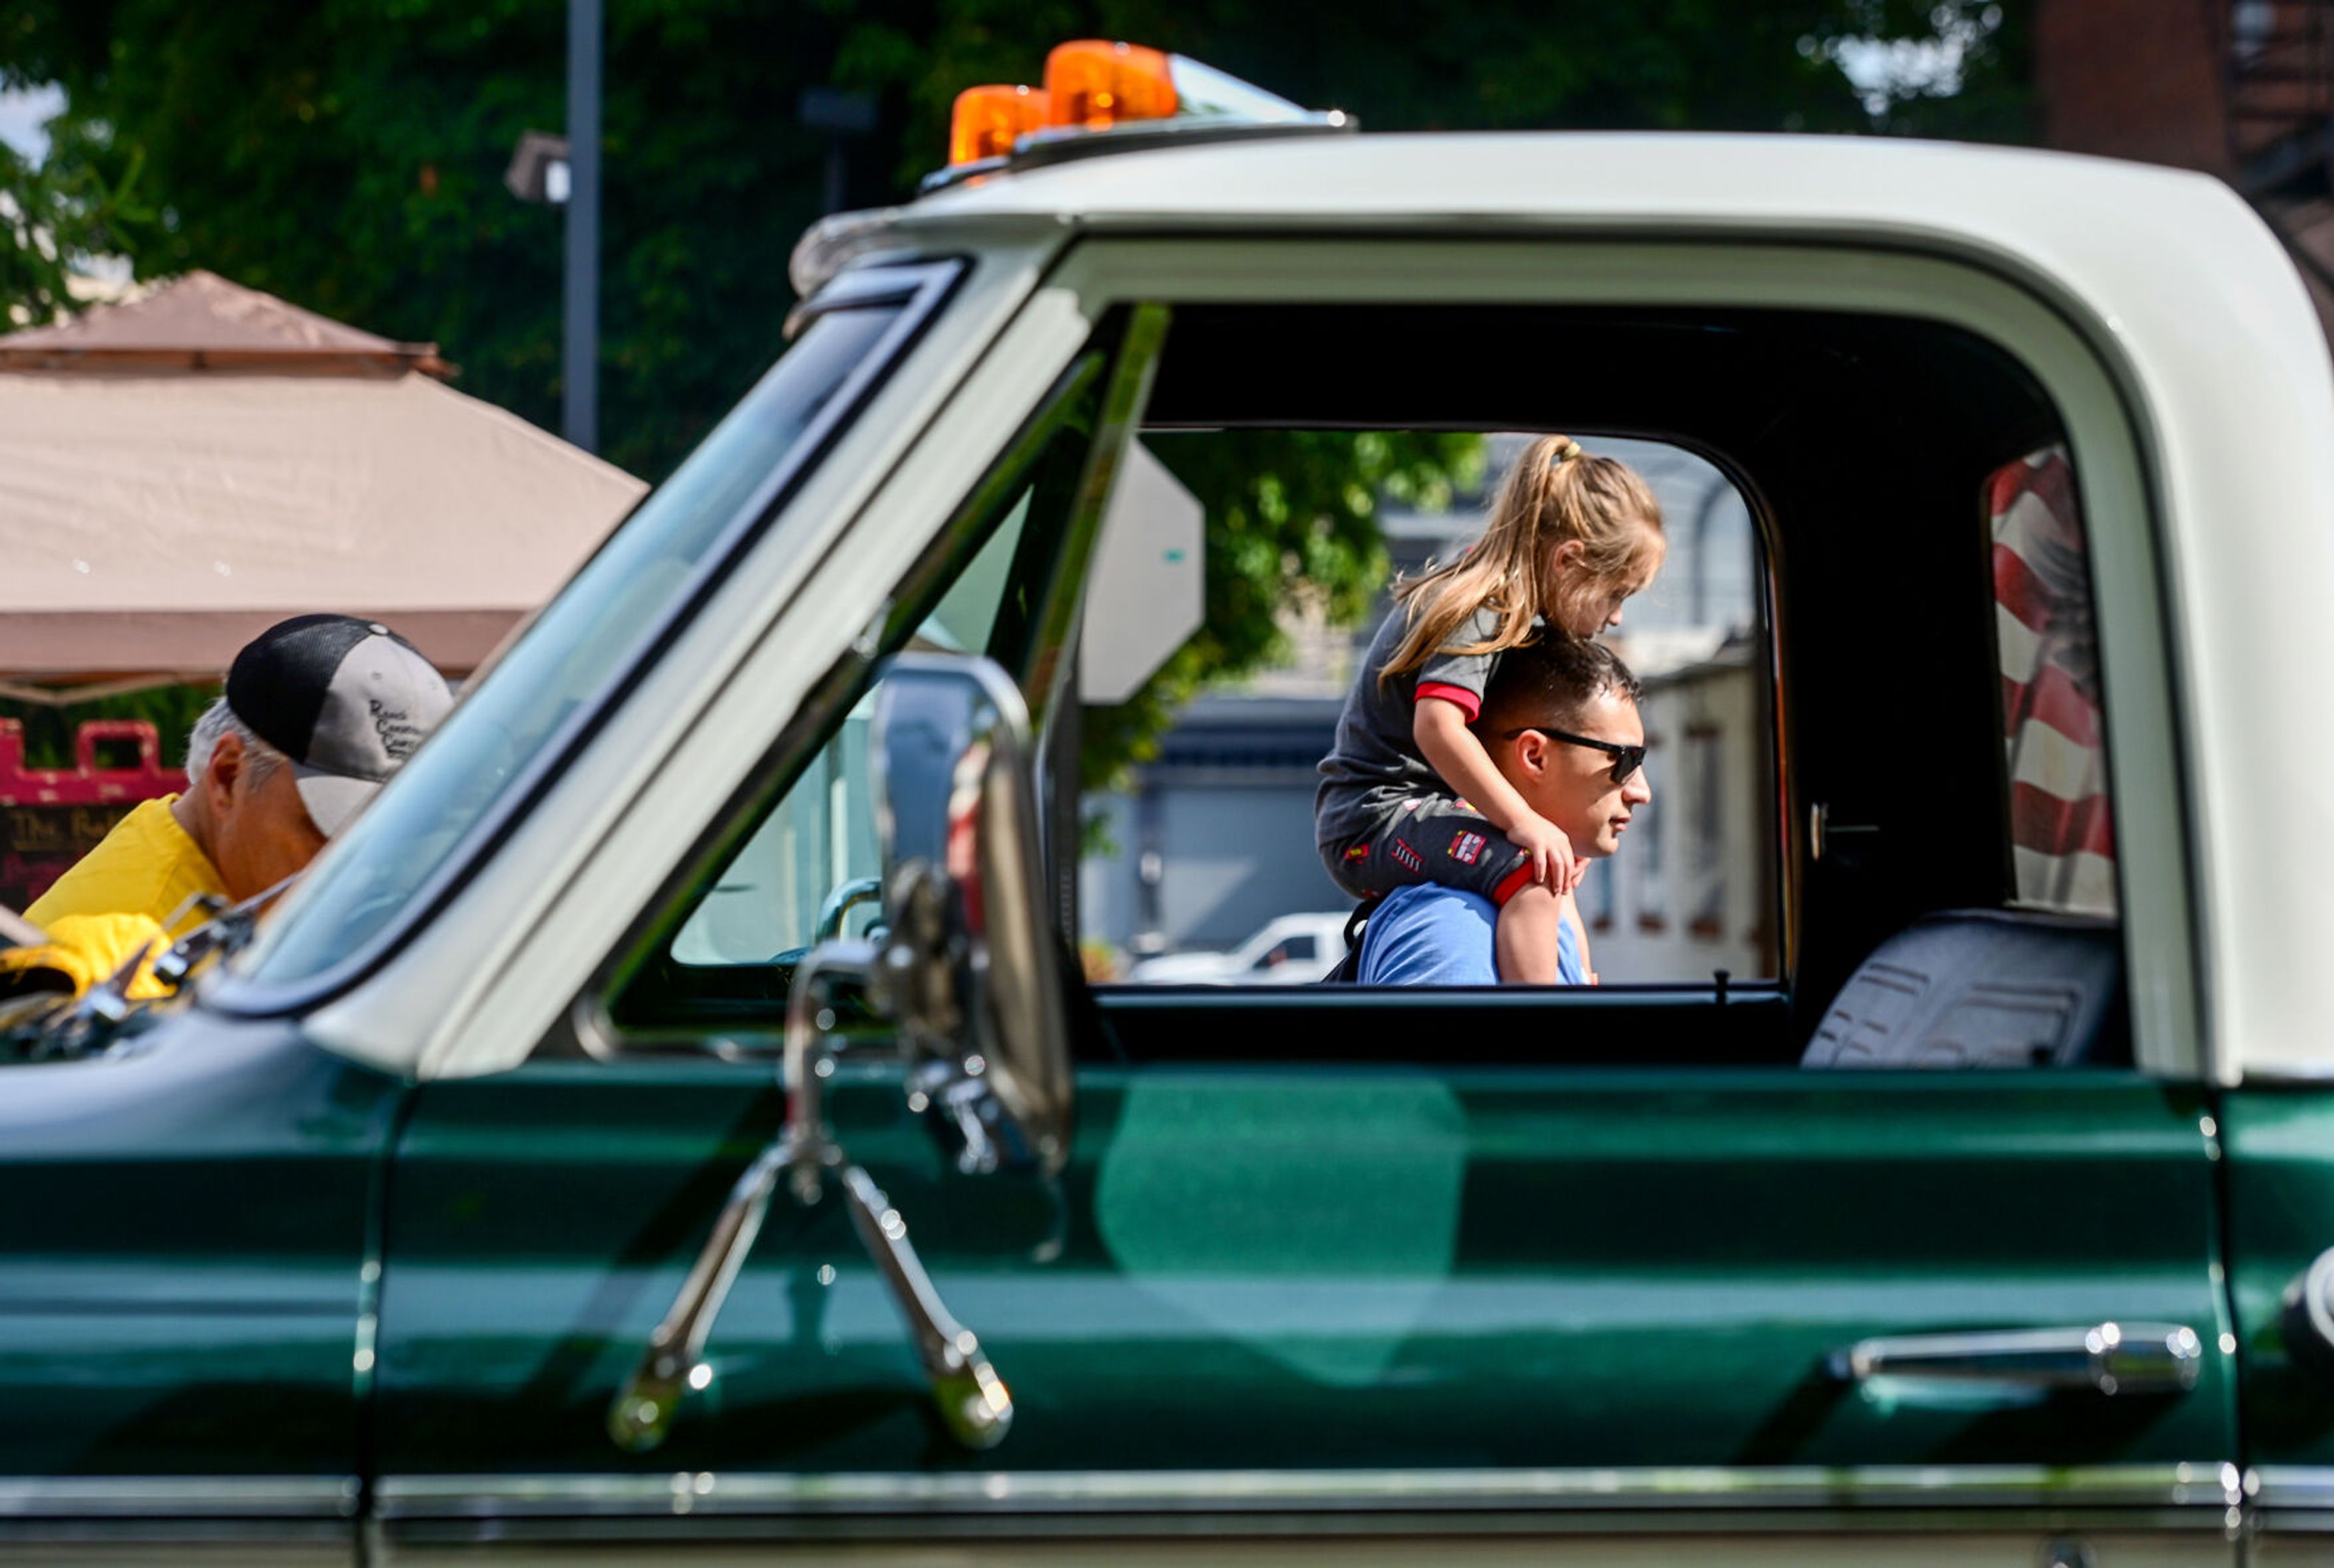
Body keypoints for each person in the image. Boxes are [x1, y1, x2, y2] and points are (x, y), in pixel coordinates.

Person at [1316, 434, 1664, 983]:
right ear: (1569, 560)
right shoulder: (1485, 605)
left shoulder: (1501, 603)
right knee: (1530, 867)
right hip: (1374, 818)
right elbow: (1438, 726)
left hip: (1411, 810)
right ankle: (1535, 1028)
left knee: (1548, 854)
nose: (1616, 616)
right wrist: (1523, 821)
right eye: (1616, 593)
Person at [0, 615, 453, 999]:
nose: (357, 876)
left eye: (388, 842)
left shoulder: (203, 873)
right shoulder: (111, 968)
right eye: (329, 835)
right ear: (228, 775)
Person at [1357, 635, 1650, 985]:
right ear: (1534, 756)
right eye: (1625, 760)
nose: (1641, 791)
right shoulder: (1453, 932)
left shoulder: (1532, 905)